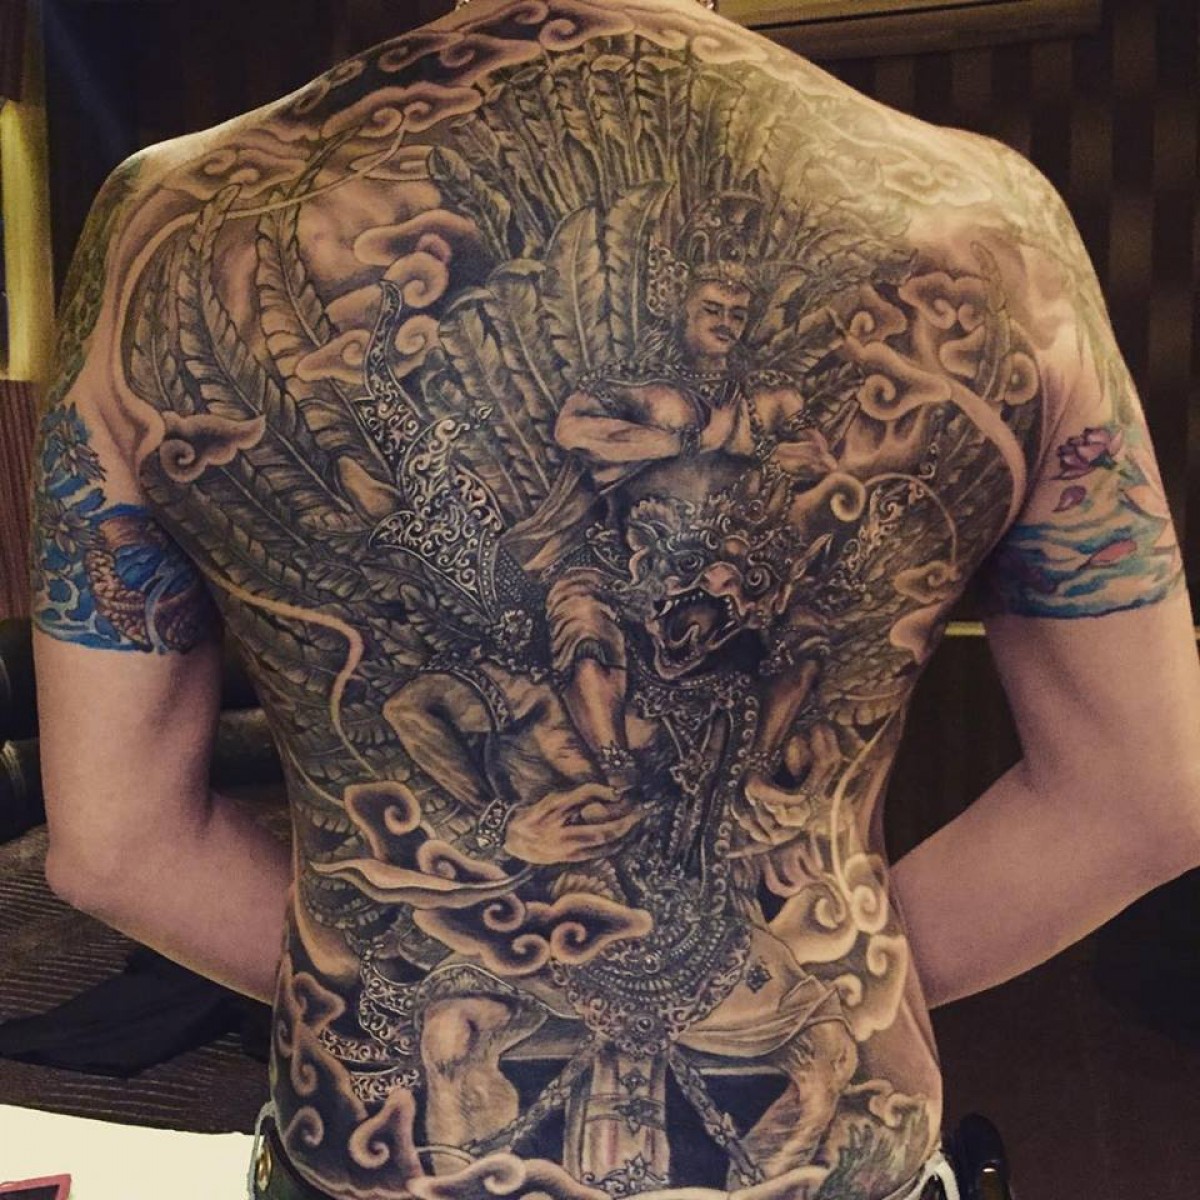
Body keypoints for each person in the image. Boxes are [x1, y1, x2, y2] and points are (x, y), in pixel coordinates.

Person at [28, 1, 1200, 1199]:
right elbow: (1142, 797)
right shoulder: (988, 225)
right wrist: (823, 987)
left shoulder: (169, 224)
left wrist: (422, 973)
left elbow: (116, 848)